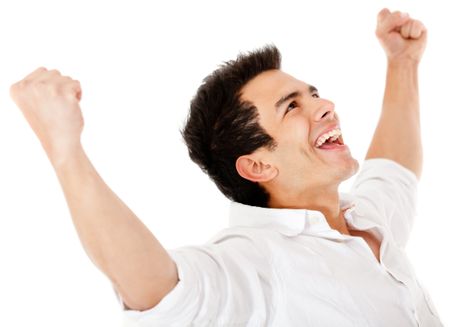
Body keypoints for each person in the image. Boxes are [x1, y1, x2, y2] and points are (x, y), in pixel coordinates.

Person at [10, 7, 443, 327]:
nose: (325, 106)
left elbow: (394, 169)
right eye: (292, 107)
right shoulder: (252, 264)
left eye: (314, 94)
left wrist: (402, 63)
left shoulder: (364, 217)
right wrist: (64, 148)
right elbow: (152, 288)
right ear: (257, 165)